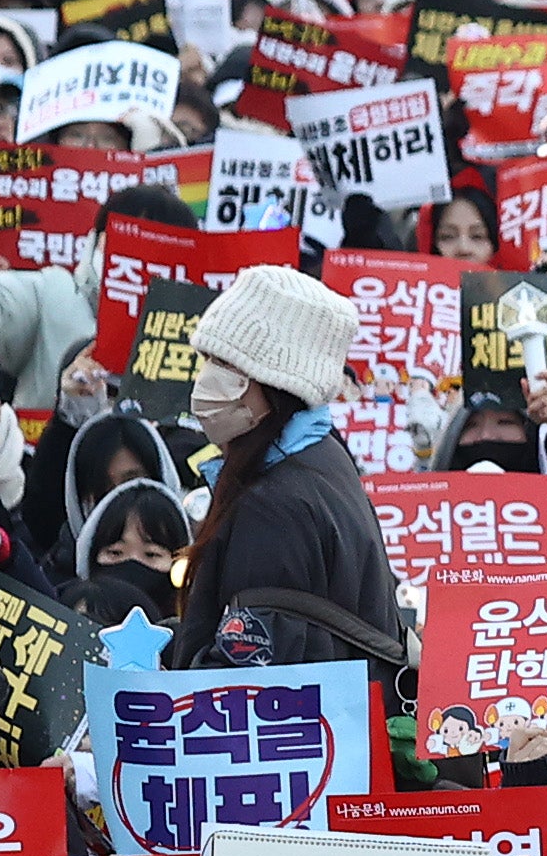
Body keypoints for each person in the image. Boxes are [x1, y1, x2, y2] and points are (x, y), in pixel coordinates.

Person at [165, 265, 405, 673]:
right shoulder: (319, 460)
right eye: (208, 359)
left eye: (228, 367)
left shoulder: (274, 505)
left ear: (280, 386)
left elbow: (250, 671)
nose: (206, 380)